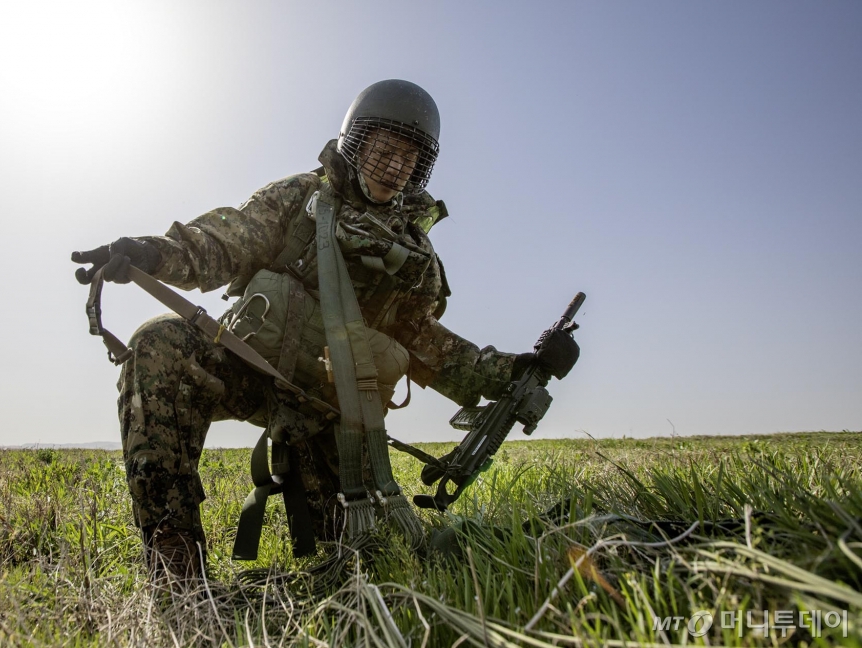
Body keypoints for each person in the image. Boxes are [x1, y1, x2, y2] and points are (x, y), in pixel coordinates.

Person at [72, 79, 579, 581]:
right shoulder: (299, 198)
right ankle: (174, 554)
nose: (394, 166)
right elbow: (222, 243)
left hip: (329, 417)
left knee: (364, 560)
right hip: (249, 368)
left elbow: (430, 348)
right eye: (384, 149)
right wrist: (149, 253)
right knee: (159, 343)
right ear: (355, 143)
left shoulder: (416, 258)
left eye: (409, 157)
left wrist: (519, 368)